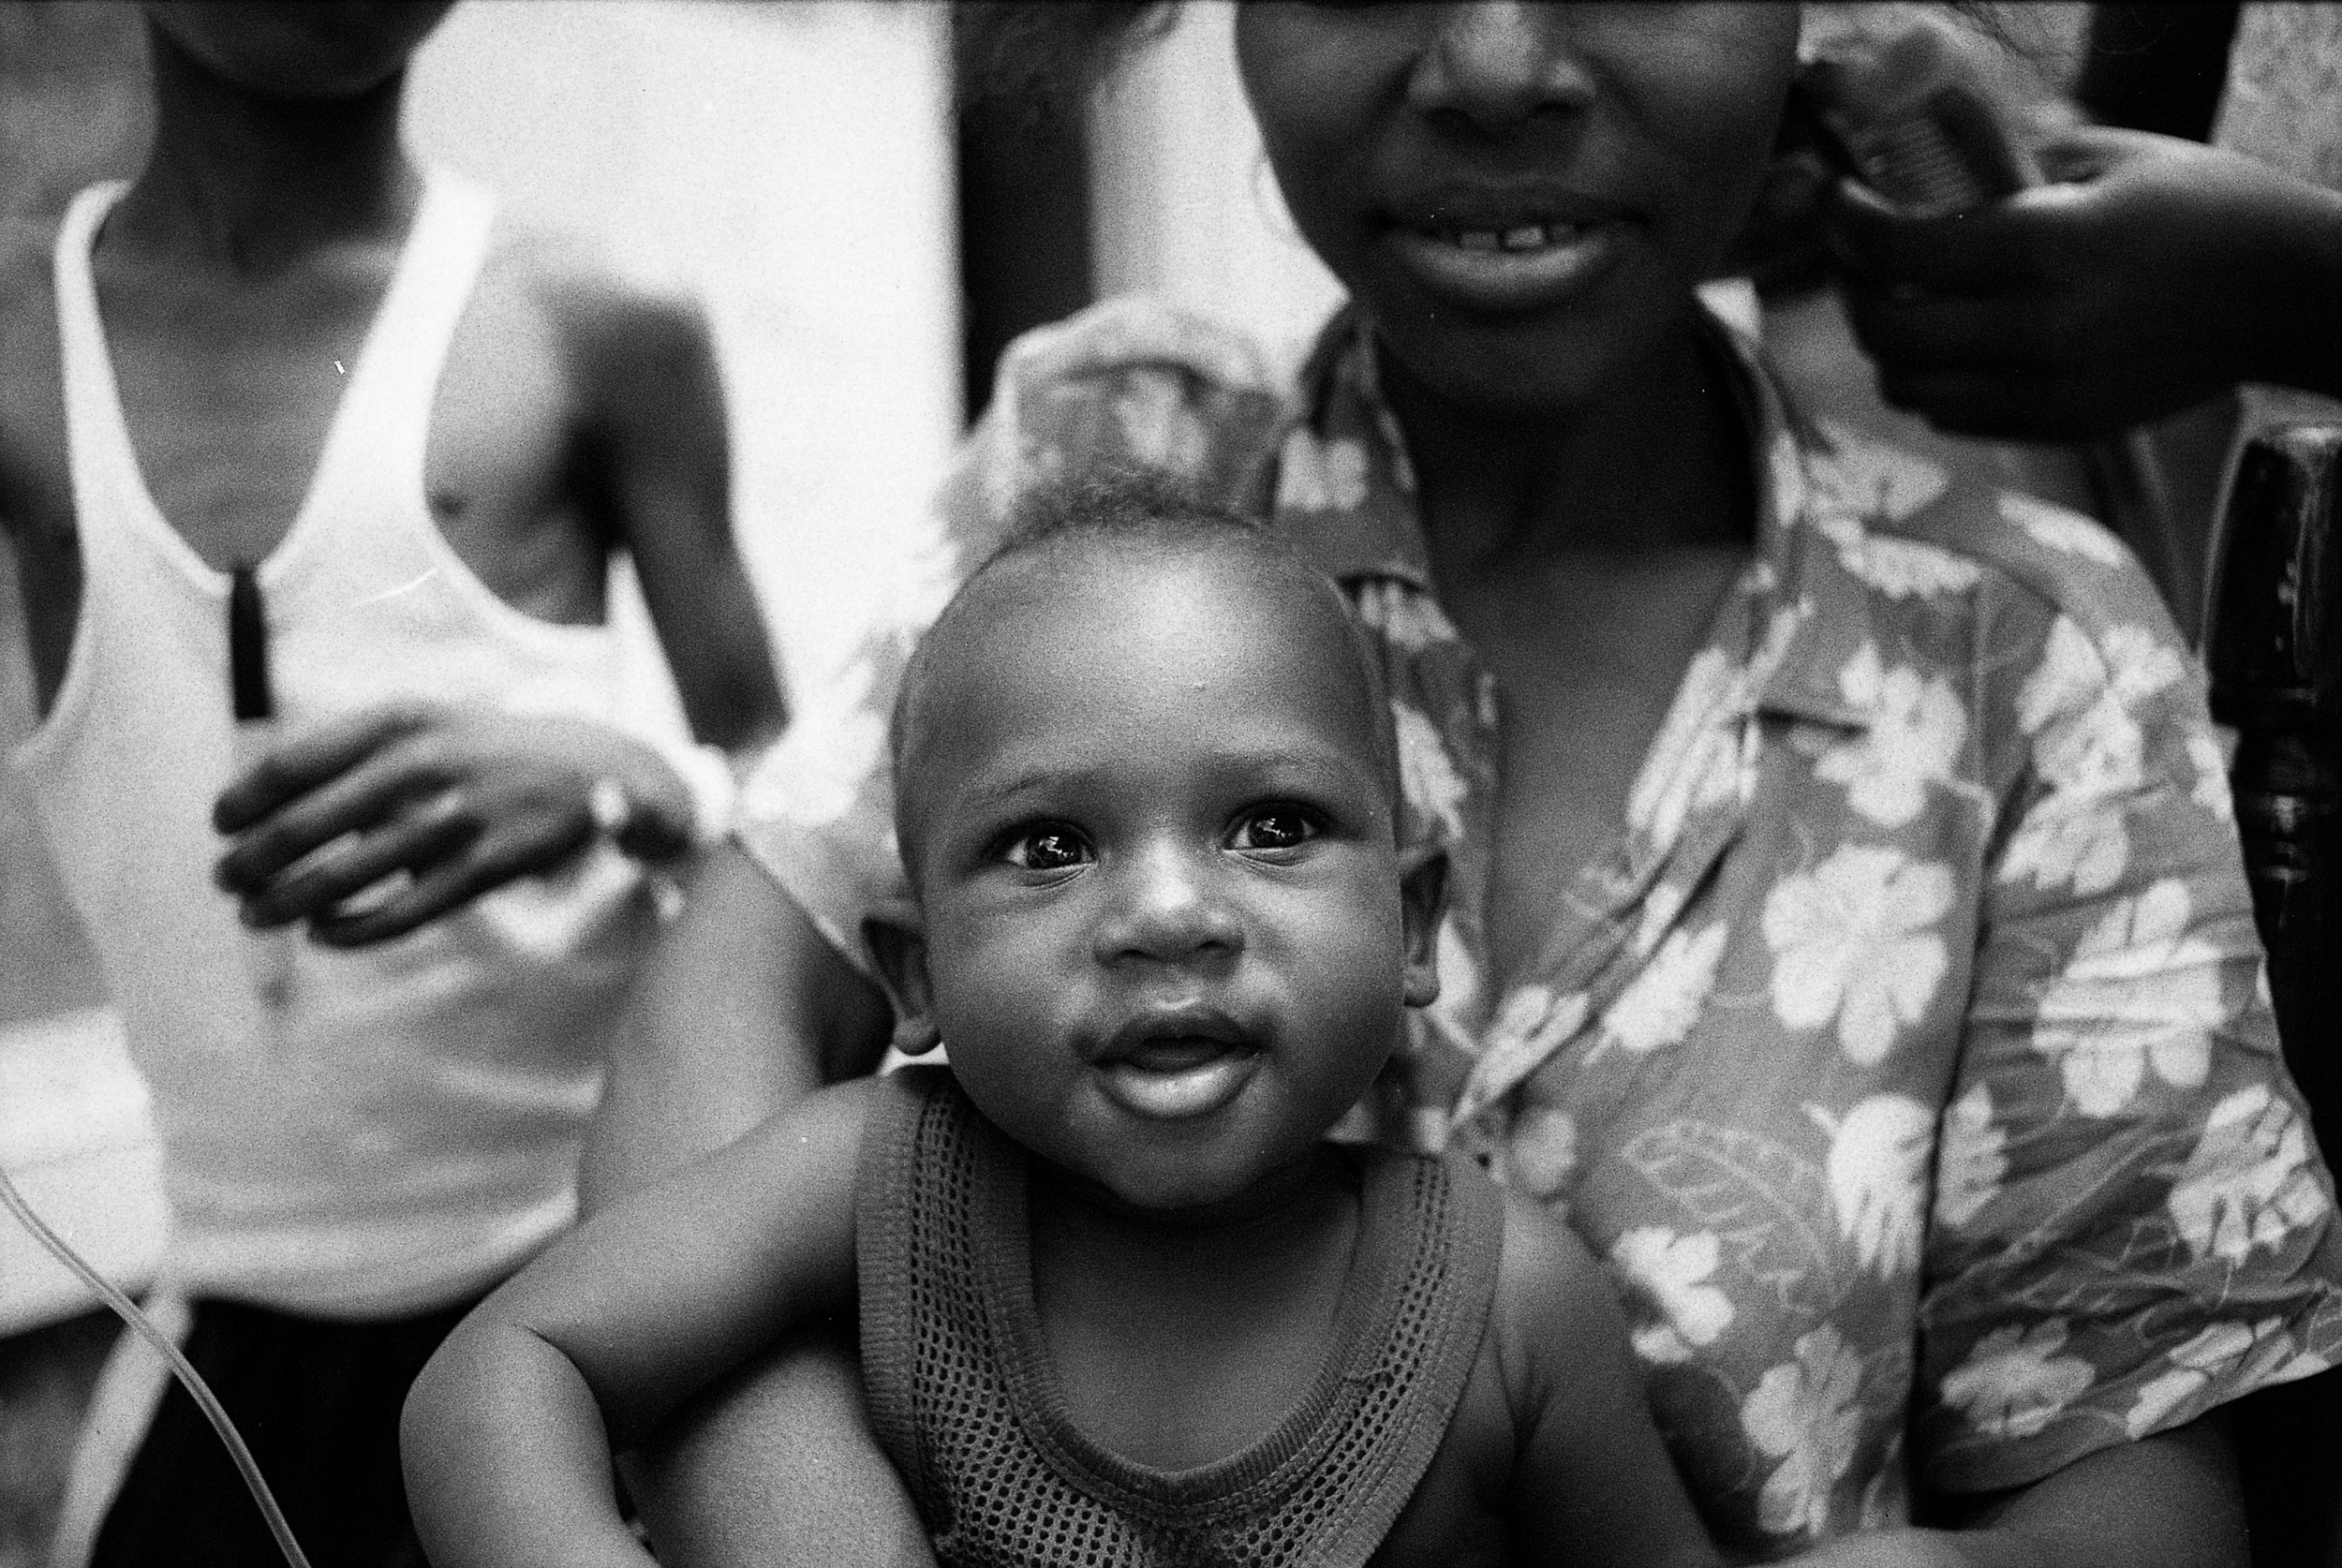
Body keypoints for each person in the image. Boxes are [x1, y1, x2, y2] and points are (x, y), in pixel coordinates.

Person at [594, 7, 2342, 1567]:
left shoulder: (2025, 661)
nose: (1496, 63)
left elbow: (2144, 1482)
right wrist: (804, 1513)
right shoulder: (1110, 486)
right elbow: (727, 1003)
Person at [402, 487, 1731, 1568]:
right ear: (914, 975)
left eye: (1272, 826)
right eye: (1049, 844)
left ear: (1415, 923)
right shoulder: (865, 1184)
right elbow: (504, 1373)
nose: (1167, 912)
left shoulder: (1510, 1305)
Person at [0, 3, 785, 1563]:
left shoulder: (589, 321)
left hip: (591, 1299)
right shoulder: (21, 331)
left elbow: (790, 792)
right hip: (228, 1324)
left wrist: (631, 778)